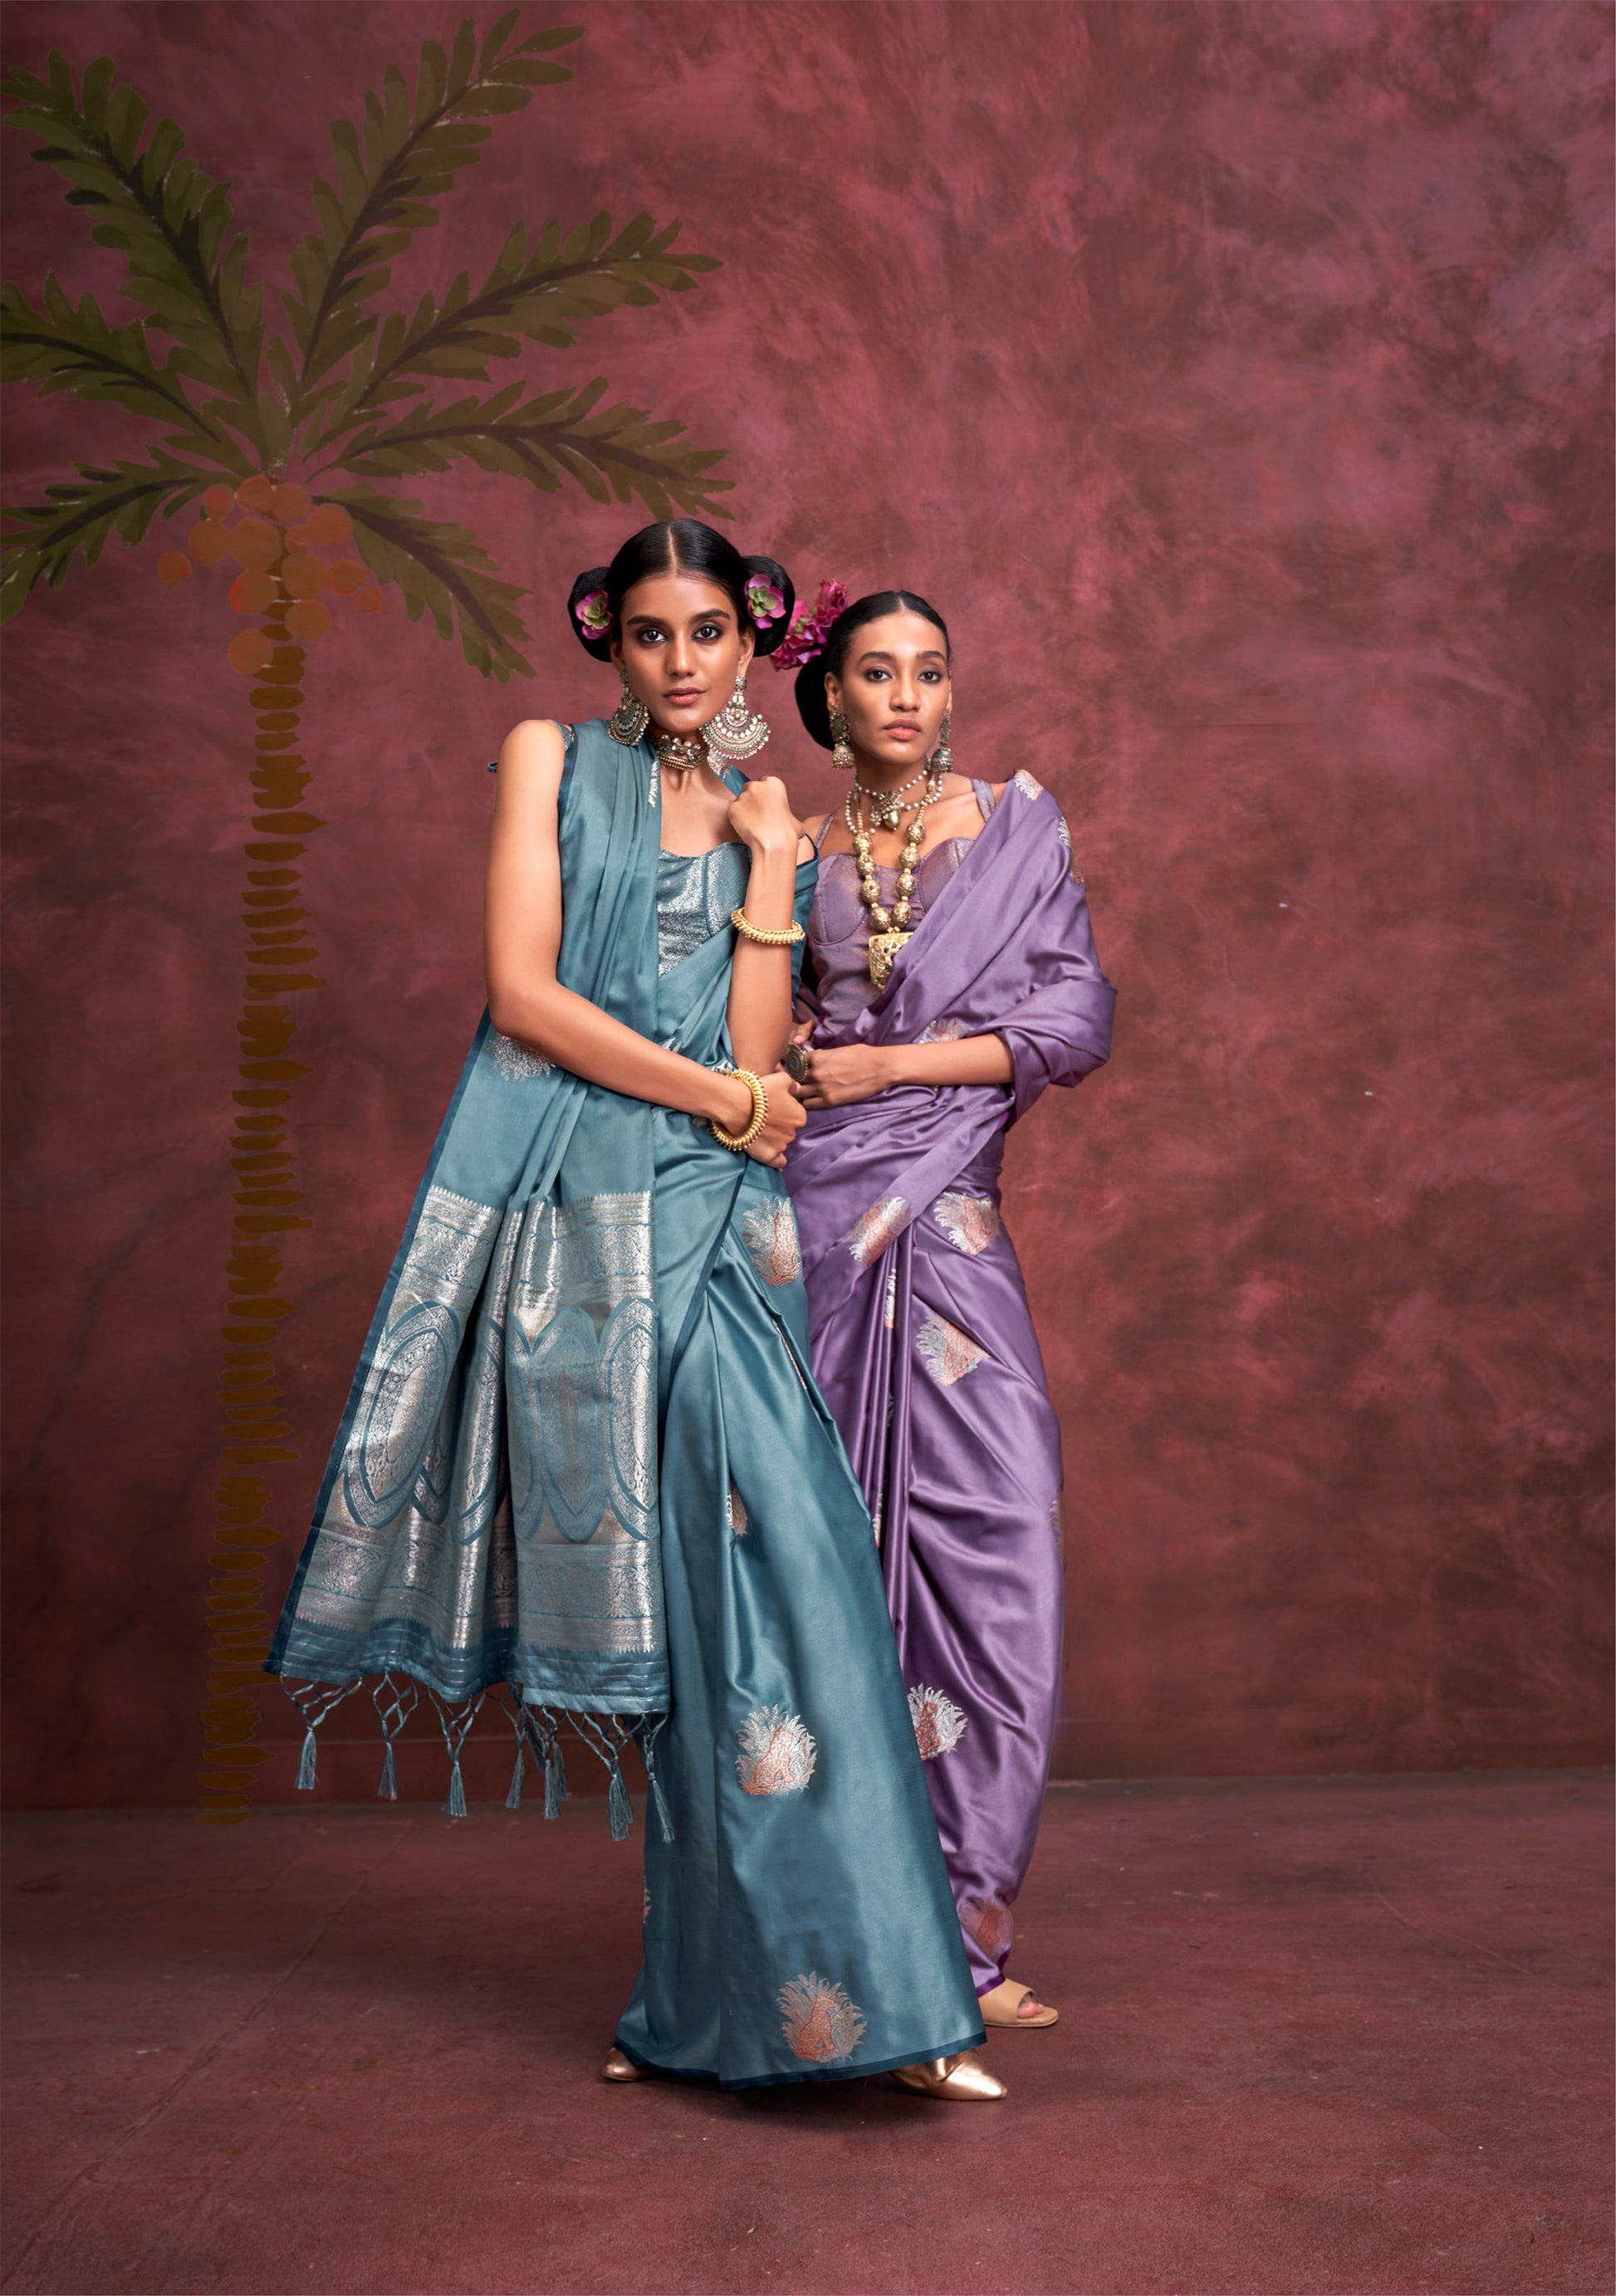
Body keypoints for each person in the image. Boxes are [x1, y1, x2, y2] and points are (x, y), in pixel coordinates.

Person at [267, 525, 1002, 2100]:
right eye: (653, 632)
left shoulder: (758, 806)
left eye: (711, 633)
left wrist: (773, 868)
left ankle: (833, 2000)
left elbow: (757, 1031)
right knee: (722, 1601)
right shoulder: (551, 757)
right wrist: (725, 1100)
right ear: (607, 635)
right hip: (582, 1218)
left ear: (752, 644)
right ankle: (743, 2007)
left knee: (783, 1582)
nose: (682, 661)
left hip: (721, 1228)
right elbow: (525, 996)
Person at [776, 585, 1116, 2030]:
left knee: (997, 1548)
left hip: (949, 1223)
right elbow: (751, 1035)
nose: (907, 694)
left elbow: (1072, 1020)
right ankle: (824, 1936)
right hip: (814, 1227)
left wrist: (891, 1067)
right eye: (876, 671)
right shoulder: (790, 850)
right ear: (831, 698)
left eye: (929, 669)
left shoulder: (1016, 831)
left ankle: (963, 1929)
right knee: (812, 1567)